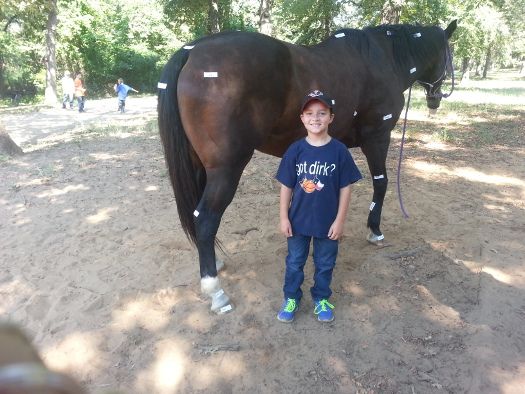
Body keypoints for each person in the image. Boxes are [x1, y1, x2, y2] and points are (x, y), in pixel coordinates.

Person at [275, 90, 362, 323]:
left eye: (322, 113)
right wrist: (284, 217)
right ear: (302, 118)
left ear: (331, 118)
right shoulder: (295, 150)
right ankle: (291, 297)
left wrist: (340, 220)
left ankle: (321, 298)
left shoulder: (339, 151)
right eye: (310, 113)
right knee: (294, 262)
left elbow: (346, 187)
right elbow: (286, 186)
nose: (316, 118)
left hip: (328, 222)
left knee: (325, 264)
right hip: (298, 221)